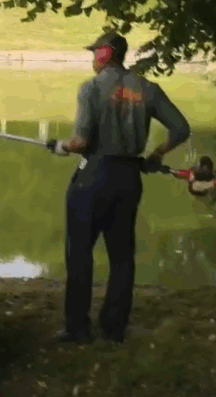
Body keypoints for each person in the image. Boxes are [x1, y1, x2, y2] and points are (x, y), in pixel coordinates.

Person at [44, 32, 191, 344]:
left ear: (105, 54)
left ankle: (77, 329)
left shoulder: (91, 88)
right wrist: (156, 154)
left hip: (93, 176)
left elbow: (81, 141)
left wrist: (61, 146)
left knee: (80, 252)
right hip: (128, 178)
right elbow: (180, 129)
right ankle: (114, 329)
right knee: (122, 255)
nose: (92, 59)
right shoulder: (148, 89)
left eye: (95, 52)